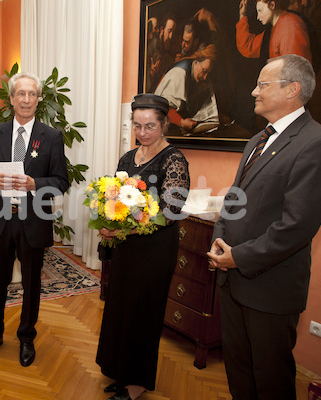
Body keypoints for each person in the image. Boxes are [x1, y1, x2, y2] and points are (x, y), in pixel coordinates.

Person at [207, 54, 321, 400]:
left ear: (292, 89)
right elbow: (233, 200)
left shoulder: (318, 144)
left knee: (270, 379)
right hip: (232, 280)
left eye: (263, 84)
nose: (253, 92)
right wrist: (219, 239)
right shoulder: (257, 140)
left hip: (270, 288)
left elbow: (296, 226)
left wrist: (238, 257)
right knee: (239, 370)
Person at [96, 93, 190, 400]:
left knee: (143, 314)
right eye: (137, 125)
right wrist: (109, 219)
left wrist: (129, 225)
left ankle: (135, 384)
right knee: (121, 309)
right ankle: (121, 371)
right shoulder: (127, 157)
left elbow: (172, 211)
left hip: (154, 250)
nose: (143, 133)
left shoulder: (173, 160)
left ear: (164, 123)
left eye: (150, 126)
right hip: (127, 248)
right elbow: (114, 196)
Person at [0, 72, 69, 367]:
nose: (26, 99)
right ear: (12, 98)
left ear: (38, 100)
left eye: (32, 94)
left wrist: (35, 185)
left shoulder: (52, 137)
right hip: (0, 219)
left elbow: (61, 181)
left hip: (33, 220)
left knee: (31, 283)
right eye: (21, 94)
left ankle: (26, 338)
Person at [155, 44, 219, 133]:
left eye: (207, 73)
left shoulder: (195, 75)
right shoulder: (179, 73)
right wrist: (181, 122)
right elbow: (164, 108)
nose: (205, 77)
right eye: (204, 71)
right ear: (196, 62)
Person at [236, 0, 312, 64]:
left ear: (272, 5)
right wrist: (242, 15)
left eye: (260, 11)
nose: (258, 17)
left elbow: (294, 69)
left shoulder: (289, 25)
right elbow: (248, 46)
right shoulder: (272, 29)